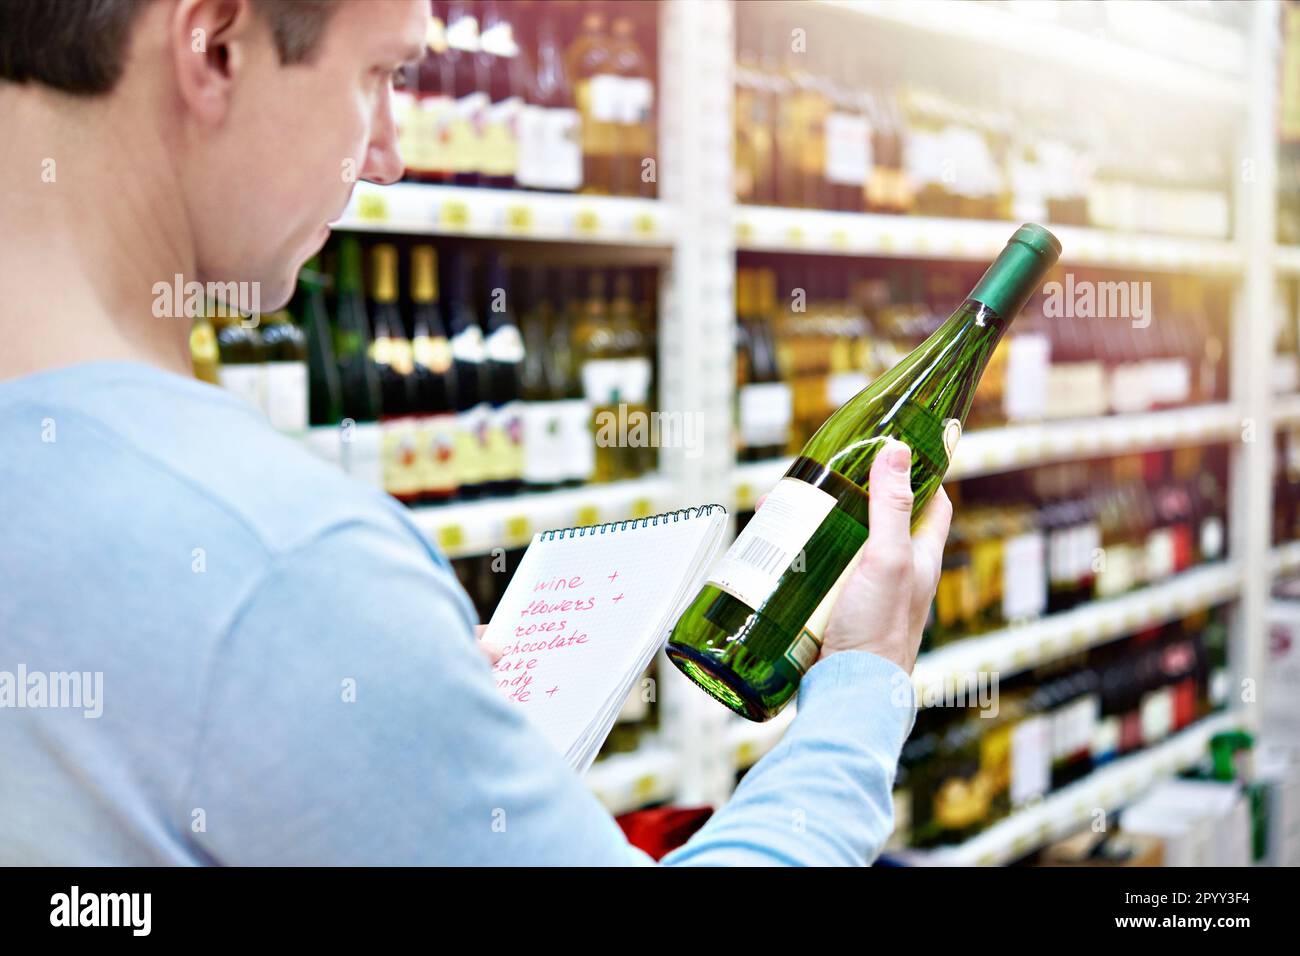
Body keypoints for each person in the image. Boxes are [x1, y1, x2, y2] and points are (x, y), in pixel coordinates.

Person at [0, 0, 951, 865]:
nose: (389, 152)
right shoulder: (286, 561)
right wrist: (863, 683)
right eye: (377, 76)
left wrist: (413, 717)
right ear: (215, 46)